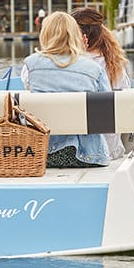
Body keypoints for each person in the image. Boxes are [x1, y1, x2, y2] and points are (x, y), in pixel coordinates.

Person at [21, 11, 112, 168]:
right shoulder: (93, 68)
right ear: (75, 35)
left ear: (45, 34)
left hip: (43, 155)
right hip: (88, 156)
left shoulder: (30, 65)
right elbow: (107, 111)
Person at [71, 7, 130, 159]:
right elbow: (124, 105)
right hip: (108, 150)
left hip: (71, 149)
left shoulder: (69, 65)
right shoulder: (114, 65)